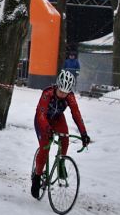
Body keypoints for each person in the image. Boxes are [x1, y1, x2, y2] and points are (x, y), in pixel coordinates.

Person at [31, 69, 90, 199]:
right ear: (57, 86)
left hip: (57, 118)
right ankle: (37, 176)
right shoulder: (48, 93)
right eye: (61, 91)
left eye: (66, 92)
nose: (63, 94)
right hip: (43, 119)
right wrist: (47, 128)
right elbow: (41, 115)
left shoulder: (70, 96)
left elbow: (76, 114)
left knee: (65, 139)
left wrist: (84, 133)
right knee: (45, 146)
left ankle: (61, 162)